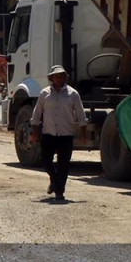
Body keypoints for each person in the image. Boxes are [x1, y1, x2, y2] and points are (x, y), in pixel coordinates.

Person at [30, 64, 87, 201]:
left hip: (65, 134)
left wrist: (83, 133)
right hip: (48, 133)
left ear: (65, 78)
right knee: (46, 161)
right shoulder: (44, 93)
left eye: (61, 76)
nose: (58, 78)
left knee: (64, 164)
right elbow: (37, 114)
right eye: (55, 76)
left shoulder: (73, 94)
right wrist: (34, 132)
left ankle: (59, 191)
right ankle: (54, 180)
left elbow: (81, 114)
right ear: (51, 78)